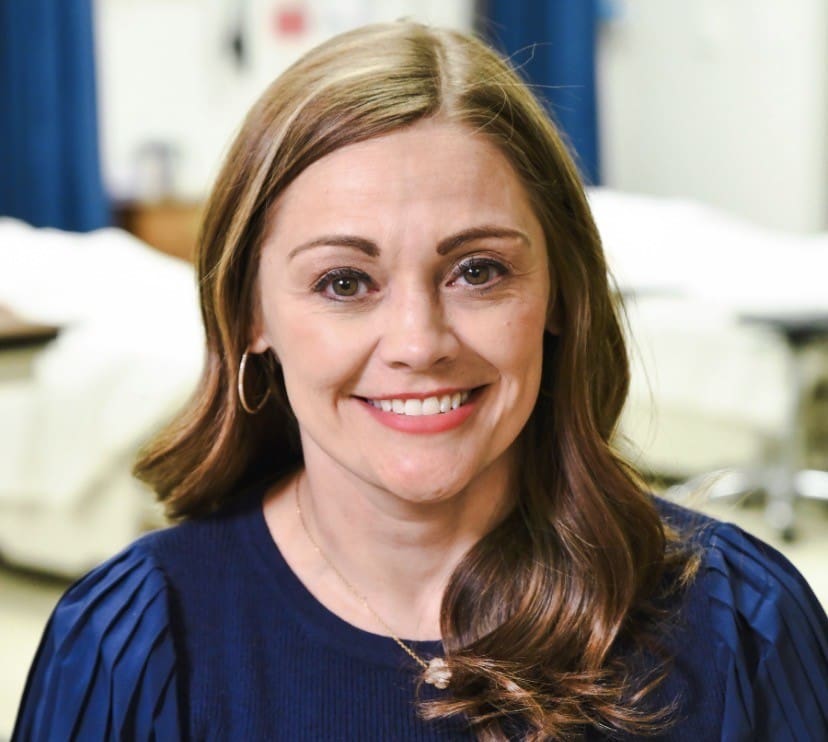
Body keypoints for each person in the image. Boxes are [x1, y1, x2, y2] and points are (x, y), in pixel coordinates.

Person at [13, 21, 828, 742]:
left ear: (558, 292)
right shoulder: (135, 642)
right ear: (250, 315)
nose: (418, 343)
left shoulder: (739, 622)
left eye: (478, 271)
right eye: (344, 282)